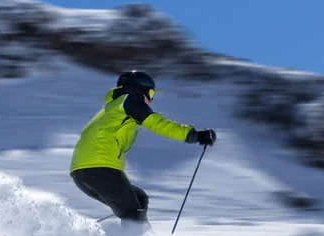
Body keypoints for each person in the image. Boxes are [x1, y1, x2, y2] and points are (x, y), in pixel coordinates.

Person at [69, 70, 217, 225]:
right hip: (100, 168)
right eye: (151, 93)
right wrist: (194, 135)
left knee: (138, 200)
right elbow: (158, 123)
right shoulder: (130, 101)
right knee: (134, 214)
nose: (151, 101)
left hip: (82, 173)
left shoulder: (113, 107)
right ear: (138, 90)